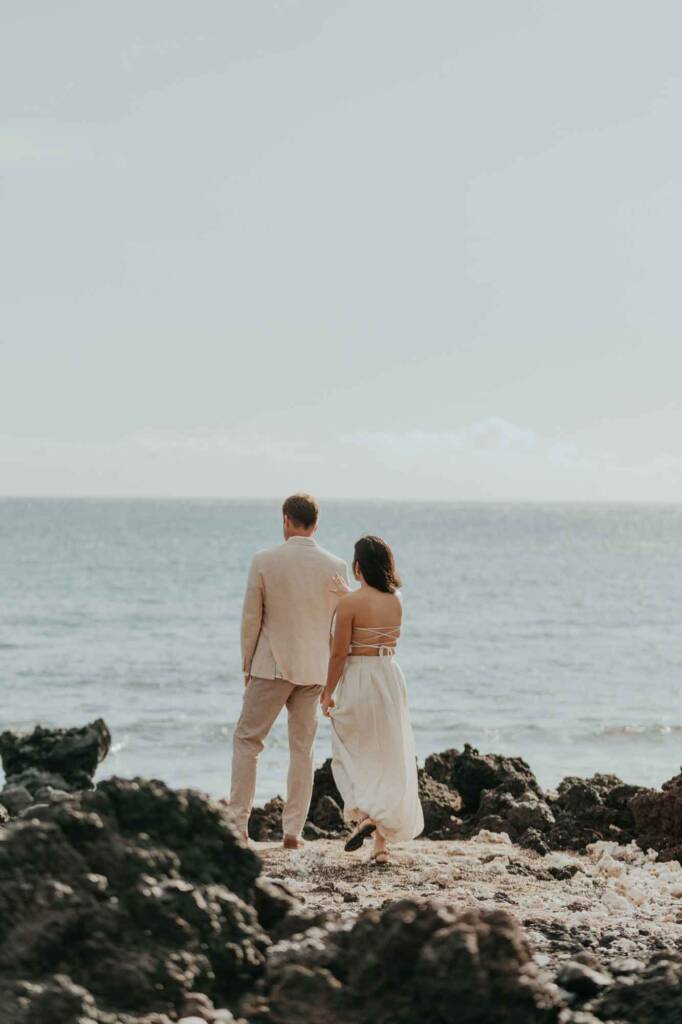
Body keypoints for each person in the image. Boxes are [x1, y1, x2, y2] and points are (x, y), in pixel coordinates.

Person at [229, 493, 350, 849]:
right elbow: (337, 626)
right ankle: (293, 832)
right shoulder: (336, 565)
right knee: (303, 750)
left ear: (286, 519)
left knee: (247, 741)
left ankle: (238, 826)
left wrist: (246, 665)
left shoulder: (264, 560)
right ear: (316, 522)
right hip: (314, 669)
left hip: (271, 665)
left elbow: (251, 619)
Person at [321, 535, 423, 863]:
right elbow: (373, 605)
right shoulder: (397, 600)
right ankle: (380, 846)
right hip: (389, 675)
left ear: (358, 565)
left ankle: (365, 812)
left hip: (358, 676)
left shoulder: (348, 605)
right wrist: (348, 595)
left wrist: (326, 692)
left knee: (354, 748)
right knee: (388, 754)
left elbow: (339, 655)